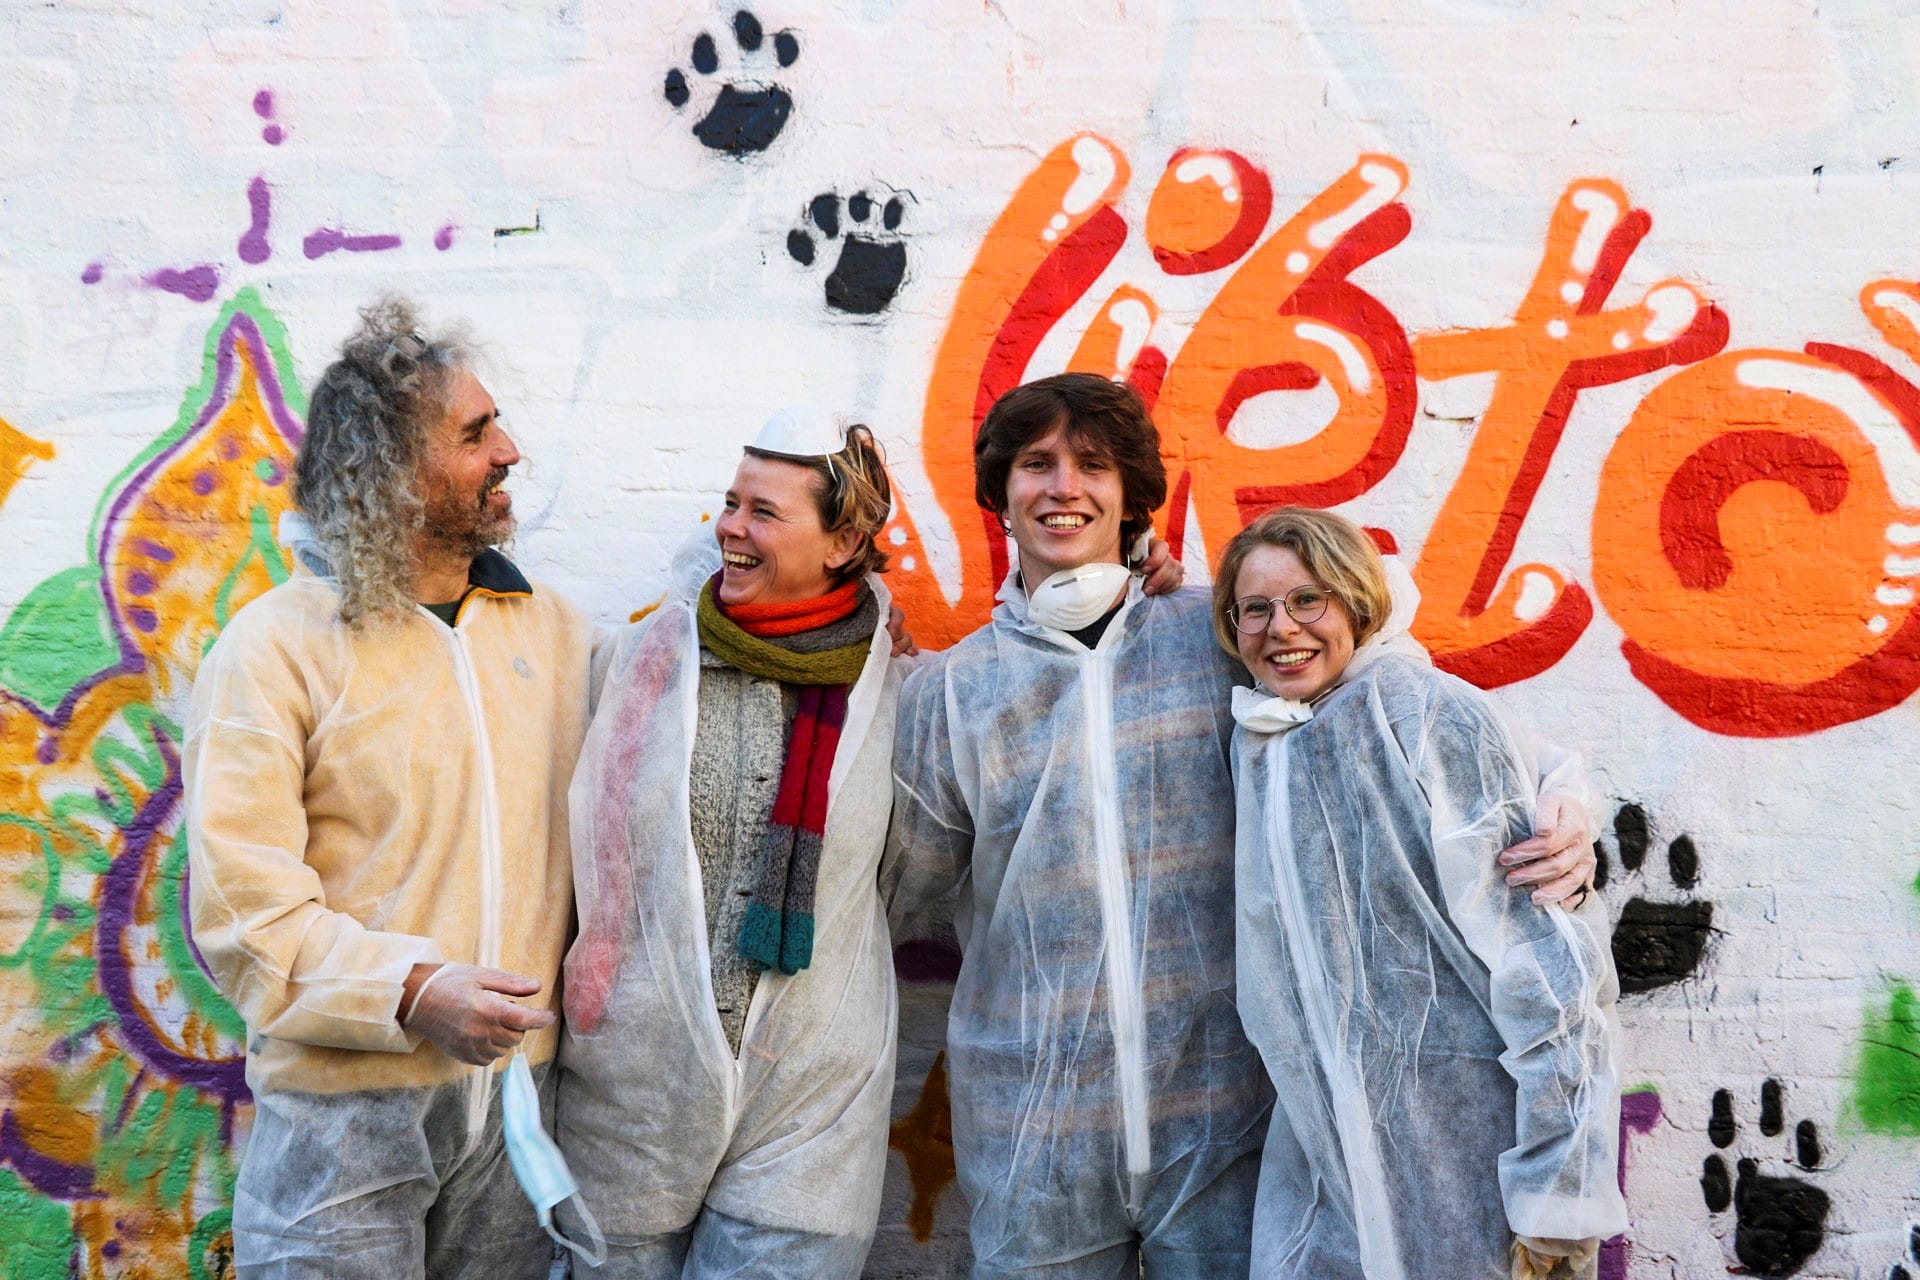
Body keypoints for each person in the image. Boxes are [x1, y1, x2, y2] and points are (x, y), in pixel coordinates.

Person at [884, 372, 1598, 1278]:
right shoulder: (952, 692)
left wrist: (1567, 797)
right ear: (1001, 492)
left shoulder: (1222, 637)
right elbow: (890, 886)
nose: (1064, 486)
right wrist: (872, 672)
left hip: (1233, 1128)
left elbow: (1399, 704)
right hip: (1035, 1133)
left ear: (1131, 496)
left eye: (1093, 465)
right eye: (1036, 464)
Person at [184, 299, 594, 1277]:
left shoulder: (551, 632)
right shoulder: (275, 649)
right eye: (476, 434)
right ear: (395, 472)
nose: (509, 451)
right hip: (343, 1115)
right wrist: (414, 990)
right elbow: (245, 915)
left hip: (516, 1111)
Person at [1216, 507, 1625, 1280]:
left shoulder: (1424, 711)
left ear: (1356, 600)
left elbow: (1549, 969)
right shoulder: (1264, 738)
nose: (1281, 628)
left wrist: (1559, 1197)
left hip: (1472, 1177)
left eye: (1308, 599)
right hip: (1328, 1181)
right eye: (1255, 609)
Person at [555, 407, 908, 1278]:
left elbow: (919, 869)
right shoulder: (646, 663)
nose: (731, 528)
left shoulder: (894, 684)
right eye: (730, 503)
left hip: (809, 1112)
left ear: (842, 542)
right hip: (632, 1097)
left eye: (764, 512)